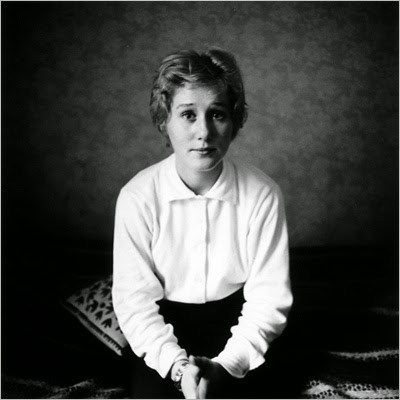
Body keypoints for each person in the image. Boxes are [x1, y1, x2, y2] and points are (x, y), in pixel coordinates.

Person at [112, 48, 293, 399]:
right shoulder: (137, 197)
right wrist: (179, 368)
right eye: (188, 114)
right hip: (164, 329)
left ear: (234, 121)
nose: (204, 131)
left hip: (240, 323)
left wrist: (227, 366)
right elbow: (135, 303)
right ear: (165, 120)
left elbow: (268, 299)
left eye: (217, 114)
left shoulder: (263, 194)